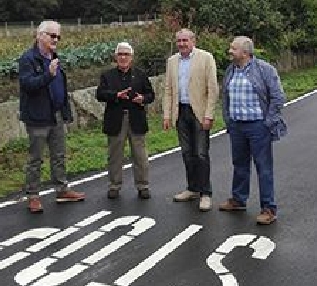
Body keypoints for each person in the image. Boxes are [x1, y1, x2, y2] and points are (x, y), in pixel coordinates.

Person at [218, 36, 287, 225]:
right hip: (237, 126)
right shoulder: (231, 70)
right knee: (239, 164)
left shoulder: (264, 69)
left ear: (245, 53)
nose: (230, 51)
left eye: (233, 49)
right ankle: (239, 199)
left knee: (263, 167)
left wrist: (268, 122)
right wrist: (229, 121)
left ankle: (268, 208)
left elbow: (278, 97)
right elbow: (225, 97)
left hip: (258, 126)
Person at [18, 20, 85, 213]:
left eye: (58, 36)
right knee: (36, 158)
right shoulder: (28, 59)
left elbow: (60, 86)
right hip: (37, 116)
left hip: (55, 115)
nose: (56, 40)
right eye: (52, 35)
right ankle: (33, 195)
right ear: (40, 35)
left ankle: (62, 189)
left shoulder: (54, 57)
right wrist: (48, 74)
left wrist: (65, 111)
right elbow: (28, 85)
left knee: (59, 155)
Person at [162, 28, 218, 211]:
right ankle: (192, 188)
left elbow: (212, 89)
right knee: (187, 153)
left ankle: (205, 193)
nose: (182, 44)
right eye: (179, 41)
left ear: (193, 41)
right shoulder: (172, 61)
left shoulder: (206, 58)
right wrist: (167, 115)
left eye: (185, 40)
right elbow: (168, 89)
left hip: (199, 112)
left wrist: (209, 114)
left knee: (201, 153)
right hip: (181, 111)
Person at [96, 42, 155, 199]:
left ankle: (143, 185)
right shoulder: (107, 75)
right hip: (115, 118)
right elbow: (100, 94)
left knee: (140, 154)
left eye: (126, 54)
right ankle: (114, 185)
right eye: (120, 54)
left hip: (136, 118)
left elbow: (151, 95)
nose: (123, 57)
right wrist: (116, 96)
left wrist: (142, 98)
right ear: (115, 57)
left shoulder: (140, 75)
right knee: (115, 155)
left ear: (131, 57)